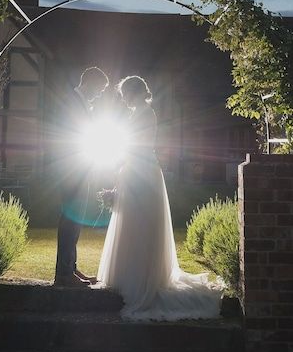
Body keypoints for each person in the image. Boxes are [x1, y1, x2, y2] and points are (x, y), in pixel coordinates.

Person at [96, 75, 223, 320]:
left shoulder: (143, 114)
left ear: (132, 92)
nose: (122, 99)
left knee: (140, 224)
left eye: (123, 94)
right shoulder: (142, 112)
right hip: (138, 170)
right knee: (134, 223)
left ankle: (141, 279)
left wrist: (118, 169)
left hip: (140, 171)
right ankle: (131, 275)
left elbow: (136, 146)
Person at [53, 66, 109, 287]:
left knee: (75, 221)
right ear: (90, 83)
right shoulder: (71, 102)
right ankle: (63, 274)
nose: (100, 94)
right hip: (71, 170)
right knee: (70, 221)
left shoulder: (81, 103)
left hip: (80, 168)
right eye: (100, 89)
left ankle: (71, 269)